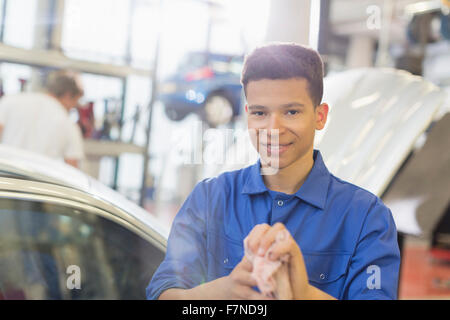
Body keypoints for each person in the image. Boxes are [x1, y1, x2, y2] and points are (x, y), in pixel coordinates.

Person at [146, 43, 400, 300]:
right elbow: (163, 293)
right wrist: (222, 293)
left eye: (291, 112)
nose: (273, 128)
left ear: (320, 116)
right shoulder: (209, 199)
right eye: (260, 113)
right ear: (247, 116)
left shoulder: (367, 218)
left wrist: (301, 292)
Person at [0, 70, 85, 168]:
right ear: (68, 95)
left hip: (5, 176)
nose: (74, 107)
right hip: (41, 181)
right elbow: (72, 166)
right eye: (75, 102)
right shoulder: (69, 124)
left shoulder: (10, 101)